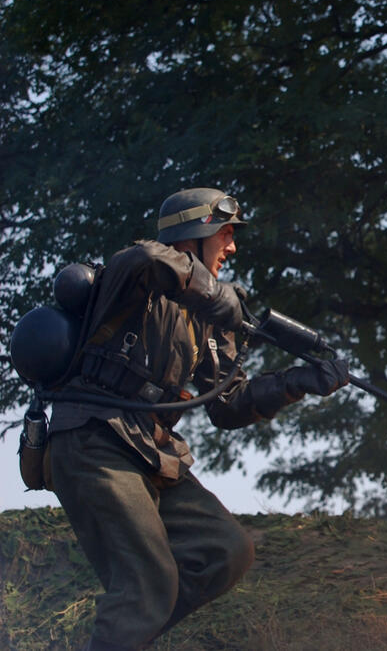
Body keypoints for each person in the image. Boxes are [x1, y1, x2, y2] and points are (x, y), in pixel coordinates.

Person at [46, 188, 350, 650]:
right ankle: (127, 622)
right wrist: (215, 295)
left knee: (225, 552)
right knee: (150, 583)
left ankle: (120, 636)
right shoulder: (133, 276)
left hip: (150, 450)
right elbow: (147, 256)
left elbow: (228, 404)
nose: (232, 248)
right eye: (225, 235)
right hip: (94, 439)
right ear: (196, 234)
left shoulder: (211, 320)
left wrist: (297, 382)